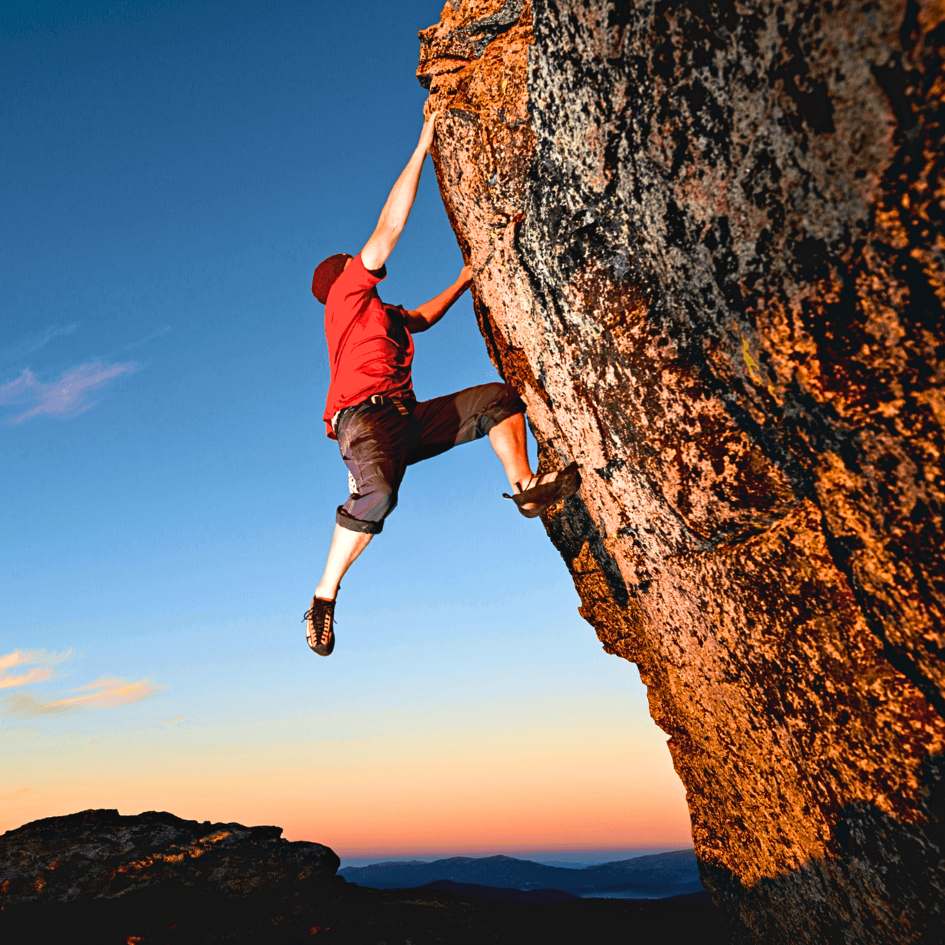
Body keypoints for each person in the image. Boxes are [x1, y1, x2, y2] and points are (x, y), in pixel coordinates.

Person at [304, 111, 580, 656]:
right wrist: (423, 146)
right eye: (351, 262)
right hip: (364, 421)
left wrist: (463, 278)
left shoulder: (377, 314)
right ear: (342, 275)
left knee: (499, 402)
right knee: (378, 493)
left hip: (409, 421)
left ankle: (525, 489)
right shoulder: (344, 297)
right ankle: (324, 596)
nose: (361, 263)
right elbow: (387, 232)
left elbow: (422, 320)